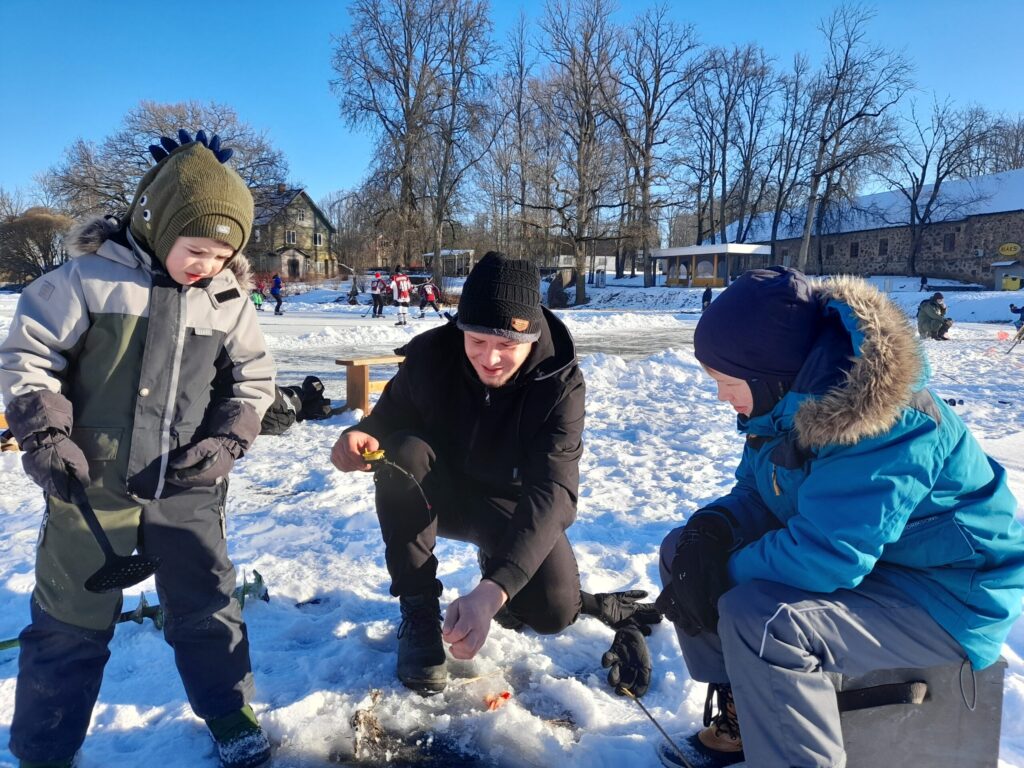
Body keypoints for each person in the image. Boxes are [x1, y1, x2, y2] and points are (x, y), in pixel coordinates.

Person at [653, 267, 1024, 768]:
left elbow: (828, 556)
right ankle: (749, 707)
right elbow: (759, 493)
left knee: (765, 620)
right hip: (882, 560)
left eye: (725, 380)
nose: (721, 395)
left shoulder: (881, 420)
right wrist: (712, 530)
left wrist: (721, 572)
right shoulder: (784, 403)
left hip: (949, 592)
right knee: (684, 551)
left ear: (767, 374)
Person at [0, 131, 277, 768]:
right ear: (156, 223)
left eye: (223, 252)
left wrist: (228, 439)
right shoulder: (85, 280)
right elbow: (28, 355)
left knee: (207, 603)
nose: (207, 263)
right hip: (89, 481)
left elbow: (254, 381)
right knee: (69, 616)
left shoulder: (228, 300)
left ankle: (229, 709)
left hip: (187, 484)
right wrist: (45, 434)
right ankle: (45, 744)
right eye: (197, 247)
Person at [330, 252, 656, 694]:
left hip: (510, 504)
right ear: (461, 328)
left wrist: (496, 587)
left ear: (533, 334)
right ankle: (418, 609)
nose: (491, 359)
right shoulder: (431, 356)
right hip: (434, 492)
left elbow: (555, 493)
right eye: (478, 341)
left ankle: (507, 575)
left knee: (553, 612)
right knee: (402, 452)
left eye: (507, 345)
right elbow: (384, 422)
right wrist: (357, 435)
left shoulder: (559, 382)